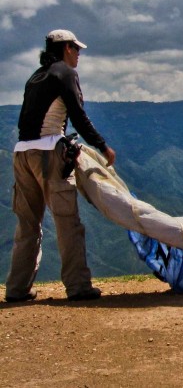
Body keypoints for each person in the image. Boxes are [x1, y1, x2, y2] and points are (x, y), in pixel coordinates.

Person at [5, 30, 116, 303]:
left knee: (28, 225)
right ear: (66, 48)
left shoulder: (36, 76)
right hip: (49, 153)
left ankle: (17, 290)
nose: (78, 54)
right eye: (76, 49)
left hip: (22, 154)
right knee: (68, 223)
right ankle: (78, 286)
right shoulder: (65, 73)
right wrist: (102, 146)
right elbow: (77, 115)